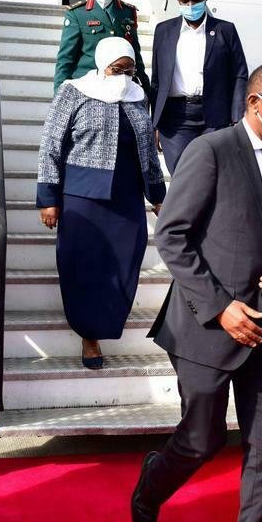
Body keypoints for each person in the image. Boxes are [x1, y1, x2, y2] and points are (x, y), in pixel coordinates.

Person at [132, 62, 262, 522]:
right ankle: (151, 487)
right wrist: (219, 306)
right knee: (200, 440)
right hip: (206, 328)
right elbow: (172, 235)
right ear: (256, 102)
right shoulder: (211, 150)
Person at [38, 37, 166, 368]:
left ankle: (108, 322)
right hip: (83, 198)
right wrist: (48, 199)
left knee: (126, 263)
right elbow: (51, 144)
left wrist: (158, 196)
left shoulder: (137, 96)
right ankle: (89, 336)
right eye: (117, 68)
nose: (124, 75)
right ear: (101, 64)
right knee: (84, 268)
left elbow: (149, 152)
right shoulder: (74, 91)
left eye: (130, 68)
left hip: (127, 199)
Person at [149, 0, 249, 173]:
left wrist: (237, 117)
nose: (190, 5)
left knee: (212, 171)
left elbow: (239, 74)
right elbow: (157, 80)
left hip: (214, 116)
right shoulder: (164, 31)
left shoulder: (225, 30)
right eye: (184, 1)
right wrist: (155, 123)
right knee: (181, 171)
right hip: (176, 118)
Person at [54, 0, 149, 93]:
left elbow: (135, 55)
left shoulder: (127, 12)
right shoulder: (77, 13)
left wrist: (146, 89)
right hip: (87, 87)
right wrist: (59, 93)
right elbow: (66, 59)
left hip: (121, 87)